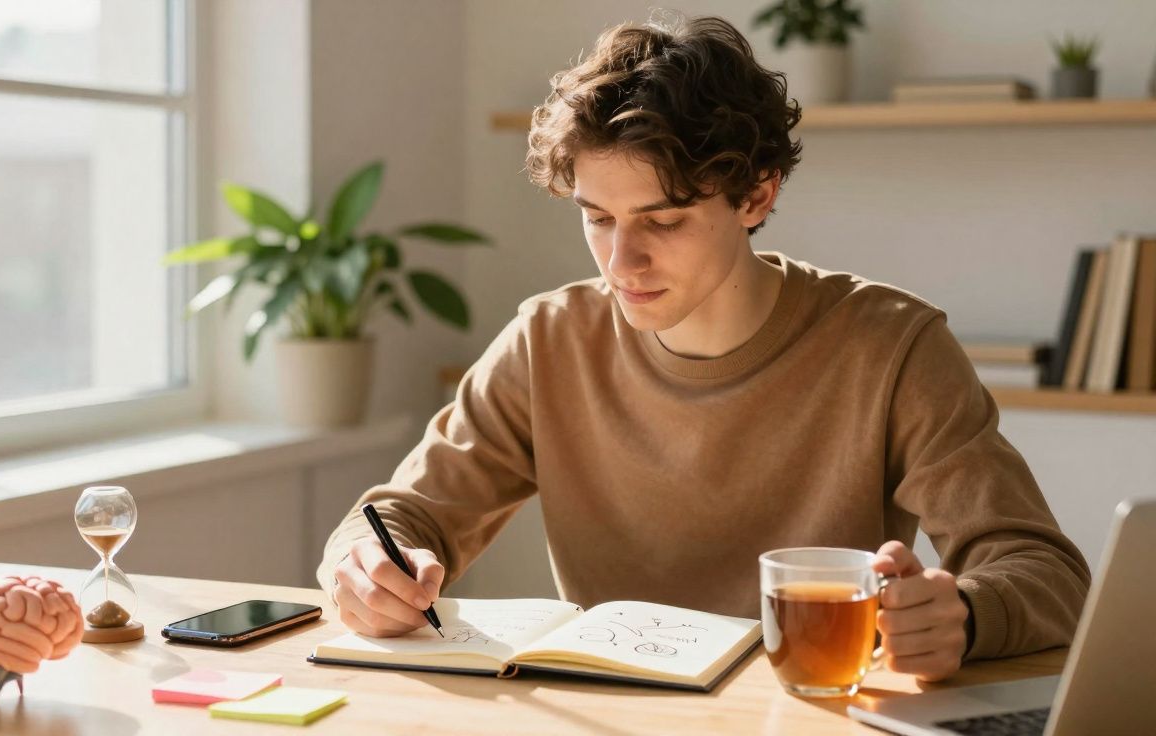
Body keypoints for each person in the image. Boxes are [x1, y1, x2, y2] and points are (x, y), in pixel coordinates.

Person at [316, 15, 1090, 682]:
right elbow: (400, 515)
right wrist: (365, 568)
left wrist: (965, 612)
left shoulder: (891, 345)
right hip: (611, 714)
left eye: (663, 221)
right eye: (597, 218)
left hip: (804, 710)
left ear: (757, 194)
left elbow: (1046, 573)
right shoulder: (550, 340)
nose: (622, 262)